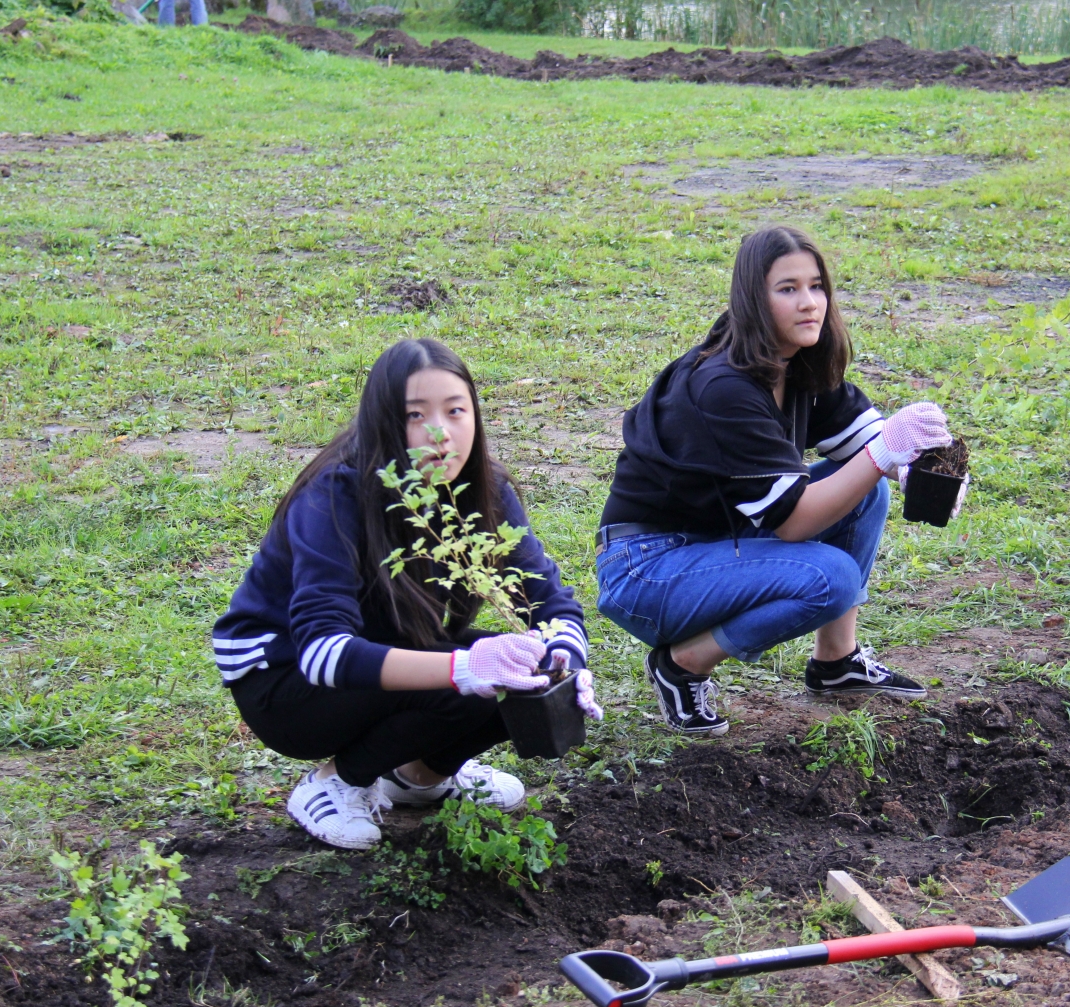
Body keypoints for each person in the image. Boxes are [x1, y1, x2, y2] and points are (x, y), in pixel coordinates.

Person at [212, 339, 599, 850]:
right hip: (286, 683)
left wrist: (563, 660)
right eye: (415, 415)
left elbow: (551, 603)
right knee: (465, 671)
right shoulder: (335, 494)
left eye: (456, 410)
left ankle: (419, 778)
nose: (440, 433)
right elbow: (322, 653)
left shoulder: (484, 492)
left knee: (518, 673)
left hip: (386, 646)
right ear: (383, 423)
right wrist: (463, 667)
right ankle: (334, 784)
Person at [595, 225, 952, 736]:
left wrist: (923, 468)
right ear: (753, 300)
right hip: (647, 569)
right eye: (787, 289)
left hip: (720, 544)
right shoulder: (722, 387)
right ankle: (682, 664)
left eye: (815, 286)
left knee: (865, 491)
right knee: (831, 577)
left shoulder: (796, 363)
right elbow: (794, 524)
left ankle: (836, 662)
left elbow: (871, 447)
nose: (809, 303)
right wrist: (882, 453)